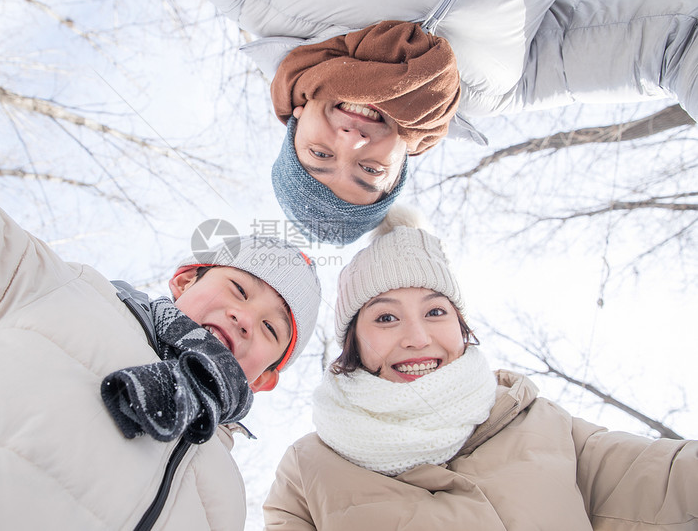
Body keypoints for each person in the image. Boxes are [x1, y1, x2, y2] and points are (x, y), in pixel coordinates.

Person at [0, 32, 322, 530]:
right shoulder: (58, 295)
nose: (245, 318)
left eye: (271, 330)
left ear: (264, 378)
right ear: (185, 281)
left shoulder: (223, 497)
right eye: (239, 289)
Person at [142, 0, 698, 244]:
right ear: (401, 163)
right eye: (366, 171)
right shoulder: (490, 91)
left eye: (319, 157)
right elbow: (675, 38)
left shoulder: (257, 0)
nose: (352, 144)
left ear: (294, 123)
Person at [262, 206, 697, 530]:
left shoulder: (543, 424)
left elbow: (664, 478)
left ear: (461, 327)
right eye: (386, 317)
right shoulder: (308, 469)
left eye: (435, 312)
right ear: (353, 342)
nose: (417, 337)